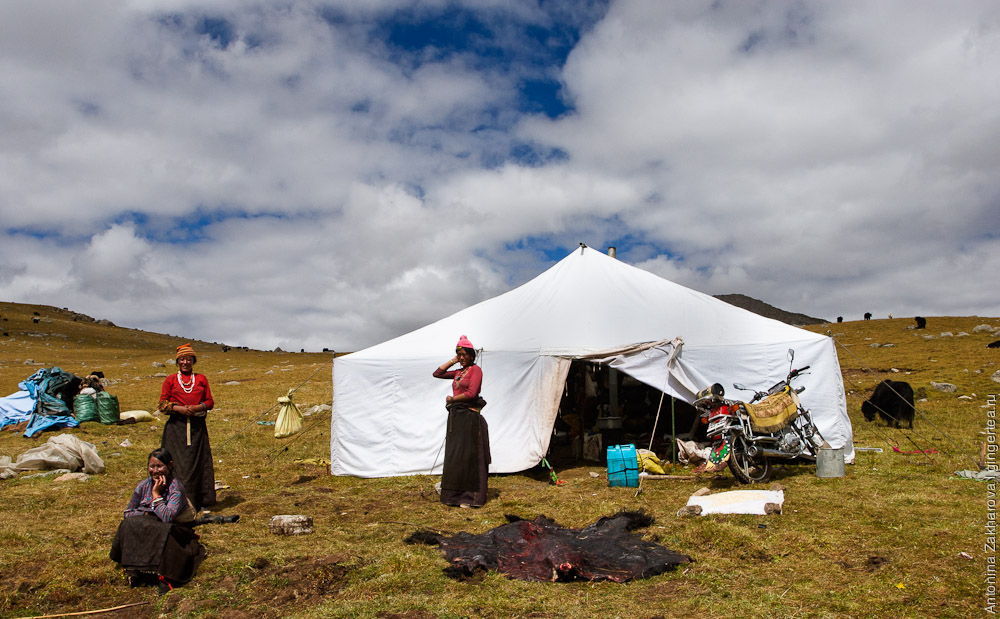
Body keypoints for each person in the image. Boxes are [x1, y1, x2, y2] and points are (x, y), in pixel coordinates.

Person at [110, 448, 204, 592]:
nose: (155, 470)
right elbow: (128, 512)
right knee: (128, 524)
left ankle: (164, 575)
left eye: (159, 466)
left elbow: (167, 517)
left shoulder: (175, 488)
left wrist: (156, 495)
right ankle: (133, 569)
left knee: (160, 530)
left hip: (174, 528)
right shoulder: (143, 486)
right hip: (147, 522)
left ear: (170, 465)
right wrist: (145, 515)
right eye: (152, 466)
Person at [433, 335, 490, 508]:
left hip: (469, 418)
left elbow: (472, 393)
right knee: (456, 456)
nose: (462, 358)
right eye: (460, 355)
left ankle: (471, 497)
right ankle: (454, 495)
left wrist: (453, 399)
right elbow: (437, 373)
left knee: (469, 456)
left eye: (465, 354)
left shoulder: (475, 370)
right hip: (457, 418)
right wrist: (454, 360)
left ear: (472, 356)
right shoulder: (458, 372)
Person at [158, 343, 215, 511]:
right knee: (177, 463)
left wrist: (197, 408)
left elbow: (210, 401)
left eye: (189, 359)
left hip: (197, 427)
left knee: (197, 461)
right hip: (176, 428)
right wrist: (180, 409)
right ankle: (175, 499)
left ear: (193, 361)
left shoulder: (201, 379)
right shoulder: (170, 380)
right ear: (178, 361)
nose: (185, 362)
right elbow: (162, 404)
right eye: (182, 359)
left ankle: (199, 500)